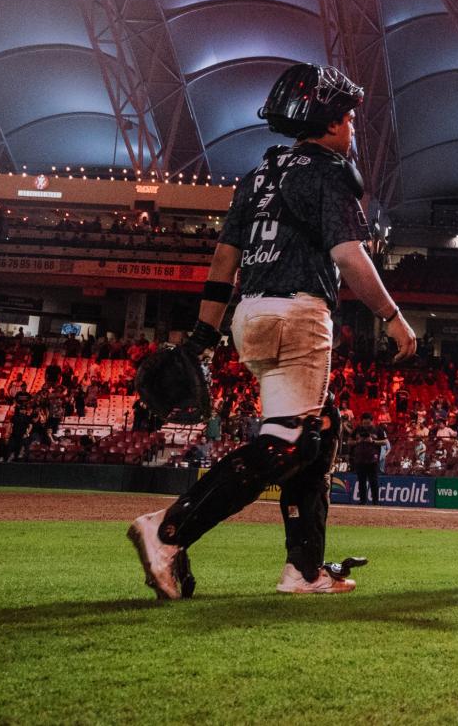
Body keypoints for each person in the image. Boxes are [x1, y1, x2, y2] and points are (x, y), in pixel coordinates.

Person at [127, 62, 418, 600]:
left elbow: (223, 262)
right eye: (349, 118)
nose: (352, 128)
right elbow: (350, 257)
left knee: (319, 429)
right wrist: (393, 318)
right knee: (287, 442)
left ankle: (303, 570)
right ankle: (169, 531)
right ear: (329, 122)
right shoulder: (328, 171)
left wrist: (201, 337)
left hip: (250, 315)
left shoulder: (257, 174)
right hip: (299, 314)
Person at [348, 414, 385, 505]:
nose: (366, 425)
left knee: (373, 482)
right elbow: (349, 441)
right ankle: (362, 501)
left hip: (372, 460)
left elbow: (385, 442)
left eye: (368, 423)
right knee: (361, 482)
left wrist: (372, 441)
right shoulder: (357, 429)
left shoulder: (378, 429)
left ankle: (375, 501)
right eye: (364, 423)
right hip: (359, 460)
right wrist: (357, 441)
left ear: (372, 421)